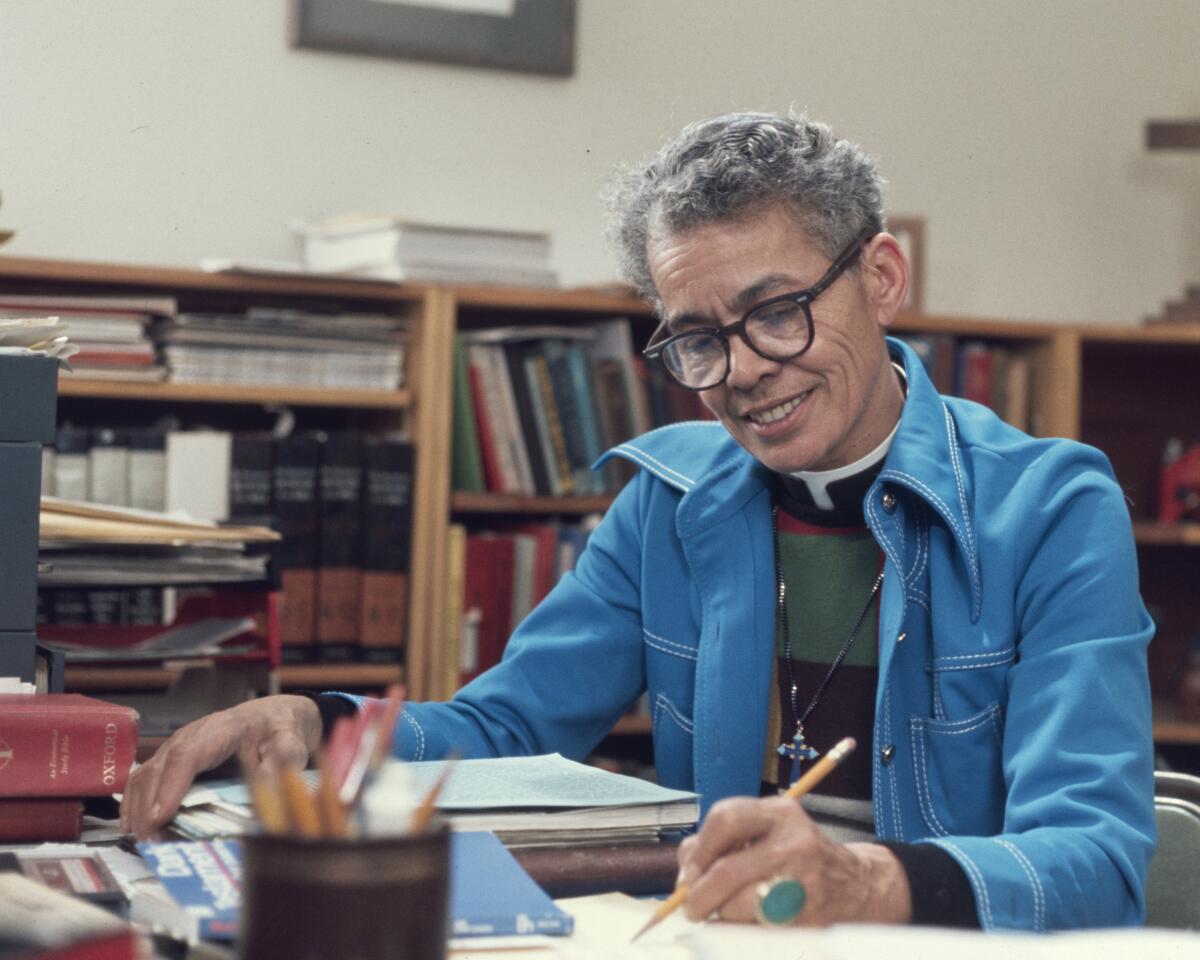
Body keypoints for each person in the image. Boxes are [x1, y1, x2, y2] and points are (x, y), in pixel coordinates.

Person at [121, 112, 1155, 931]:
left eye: (778, 311)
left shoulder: (1053, 508)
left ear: (882, 279)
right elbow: (509, 728)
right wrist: (321, 724)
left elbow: (1098, 859)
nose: (743, 371)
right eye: (698, 339)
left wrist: (862, 881)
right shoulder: (669, 502)